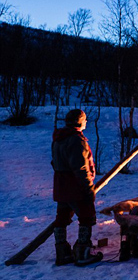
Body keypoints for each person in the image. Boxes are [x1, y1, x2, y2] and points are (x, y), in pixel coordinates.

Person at [51, 109, 103, 266]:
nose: (86, 122)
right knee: (86, 217)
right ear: (79, 121)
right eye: (85, 119)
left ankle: (63, 253)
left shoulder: (58, 139)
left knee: (62, 217)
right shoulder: (75, 140)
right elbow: (81, 167)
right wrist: (88, 189)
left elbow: (55, 162)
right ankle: (83, 253)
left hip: (61, 184)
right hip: (74, 185)